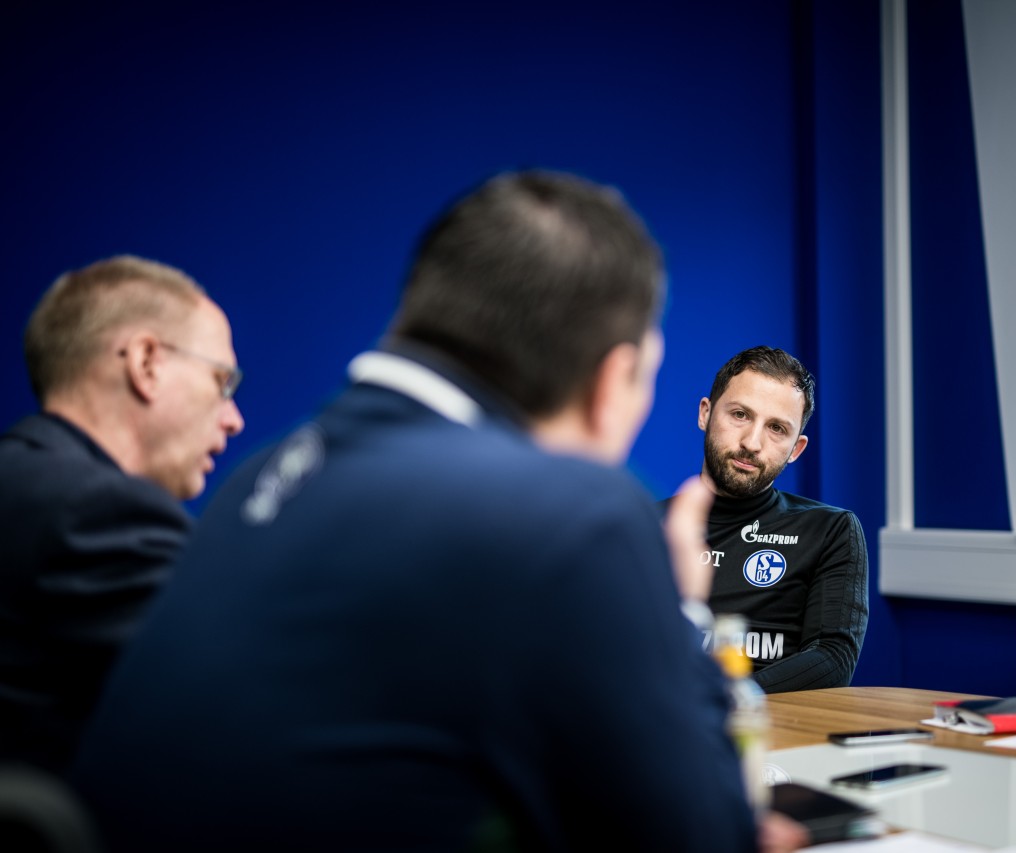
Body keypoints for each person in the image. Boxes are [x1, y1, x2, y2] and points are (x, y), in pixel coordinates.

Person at [70, 173, 807, 852]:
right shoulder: (578, 514)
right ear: (614, 380)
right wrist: (680, 608)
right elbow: (704, 836)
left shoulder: (266, 472)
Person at [0, 255, 245, 773]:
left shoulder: (24, 480)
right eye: (223, 383)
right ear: (146, 363)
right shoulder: (96, 513)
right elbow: (254, 697)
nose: (235, 420)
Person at [667, 346, 869, 694]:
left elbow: (833, 659)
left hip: (774, 732)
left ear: (796, 449)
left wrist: (727, 703)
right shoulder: (643, 525)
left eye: (776, 428)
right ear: (706, 413)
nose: (752, 442)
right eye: (740, 414)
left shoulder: (831, 531)